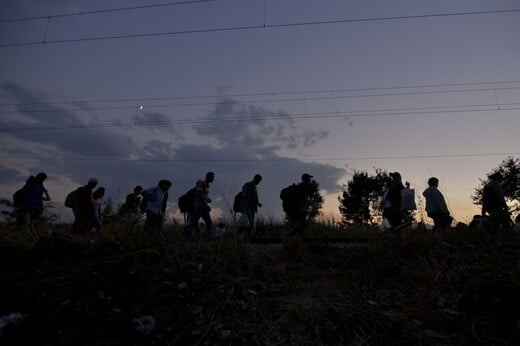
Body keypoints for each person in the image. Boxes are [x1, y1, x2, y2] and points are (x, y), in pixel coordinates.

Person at [286, 173, 314, 237]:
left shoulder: (302, 186)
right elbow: (299, 198)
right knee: (302, 222)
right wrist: (301, 207)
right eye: (309, 178)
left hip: (295, 207)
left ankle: (300, 237)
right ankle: (289, 235)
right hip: (296, 208)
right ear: (305, 179)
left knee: (301, 223)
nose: (310, 180)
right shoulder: (301, 187)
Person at [189, 172, 215, 239]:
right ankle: (193, 237)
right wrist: (205, 204)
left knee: (208, 222)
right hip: (197, 206)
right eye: (212, 177)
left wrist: (208, 199)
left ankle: (207, 237)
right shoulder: (201, 183)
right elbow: (199, 194)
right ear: (208, 177)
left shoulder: (207, 185)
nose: (213, 179)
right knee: (194, 222)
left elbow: (203, 195)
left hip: (203, 206)